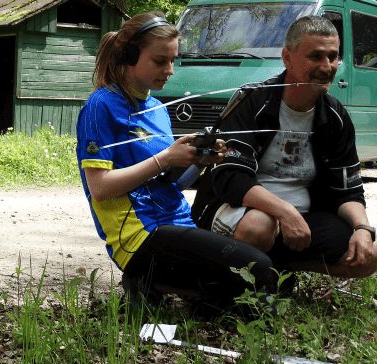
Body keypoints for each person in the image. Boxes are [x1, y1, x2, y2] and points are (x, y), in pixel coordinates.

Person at [75, 12, 276, 303]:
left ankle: (155, 286)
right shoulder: (100, 105)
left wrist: (198, 161)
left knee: (257, 276)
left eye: (173, 60)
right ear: (129, 56)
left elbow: (172, 183)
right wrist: (166, 158)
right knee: (259, 270)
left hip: (178, 223)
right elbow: (100, 188)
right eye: (160, 61)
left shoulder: (157, 108)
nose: (169, 70)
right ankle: (147, 279)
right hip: (140, 235)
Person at [191, 15, 377, 280]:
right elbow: (232, 178)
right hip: (239, 211)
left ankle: (278, 270)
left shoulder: (336, 117)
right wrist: (285, 212)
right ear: (287, 58)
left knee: (370, 255)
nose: (327, 66)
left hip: (303, 219)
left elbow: (348, 190)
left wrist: (362, 228)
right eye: (315, 56)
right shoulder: (252, 100)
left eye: (333, 56)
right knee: (260, 226)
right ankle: (239, 283)